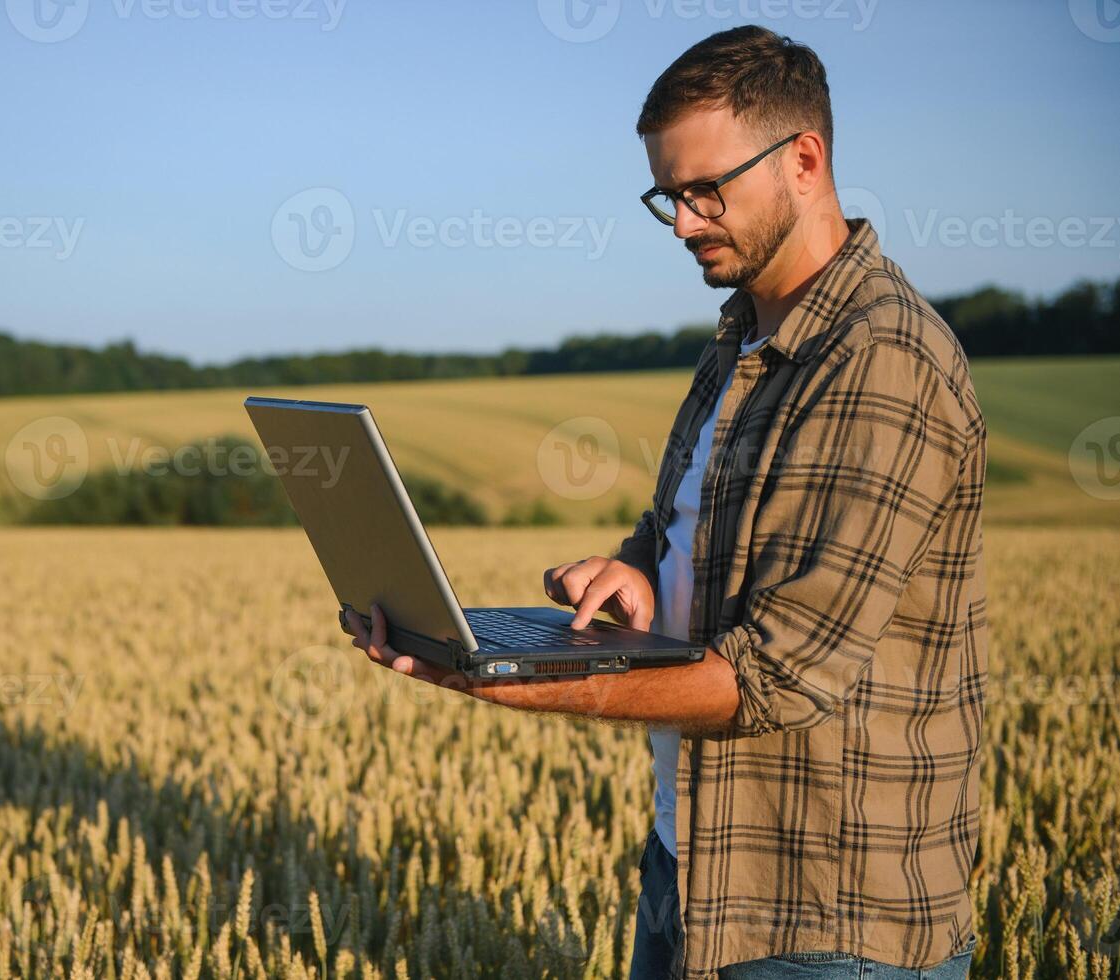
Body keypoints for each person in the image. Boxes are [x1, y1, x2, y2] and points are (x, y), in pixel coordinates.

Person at [345, 24, 986, 980]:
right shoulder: (737, 340)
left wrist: (513, 678)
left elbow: (777, 678)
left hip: (824, 919)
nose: (683, 223)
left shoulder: (878, 359)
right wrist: (633, 569)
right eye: (667, 196)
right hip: (693, 865)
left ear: (803, 160)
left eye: (703, 190)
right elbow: (676, 528)